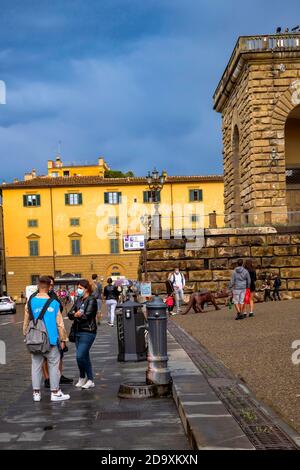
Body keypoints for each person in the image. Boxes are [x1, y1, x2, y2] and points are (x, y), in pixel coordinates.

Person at [23, 276, 70, 402]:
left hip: (35, 340)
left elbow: (26, 322)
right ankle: (55, 392)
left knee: (36, 366)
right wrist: (63, 339)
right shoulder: (54, 303)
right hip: (51, 340)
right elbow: (60, 324)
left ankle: (36, 393)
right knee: (53, 365)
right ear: (49, 287)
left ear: (38, 286)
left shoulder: (30, 302)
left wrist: (26, 336)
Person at [68, 280, 97, 389]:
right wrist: (76, 314)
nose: (78, 290)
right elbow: (69, 314)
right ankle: (86, 378)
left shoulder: (91, 300)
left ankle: (87, 378)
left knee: (80, 356)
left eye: (80, 288)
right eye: (78, 287)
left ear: (86, 289)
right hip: (77, 331)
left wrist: (76, 315)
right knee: (84, 356)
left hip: (88, 331)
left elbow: (87, 316)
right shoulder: (79, 300)